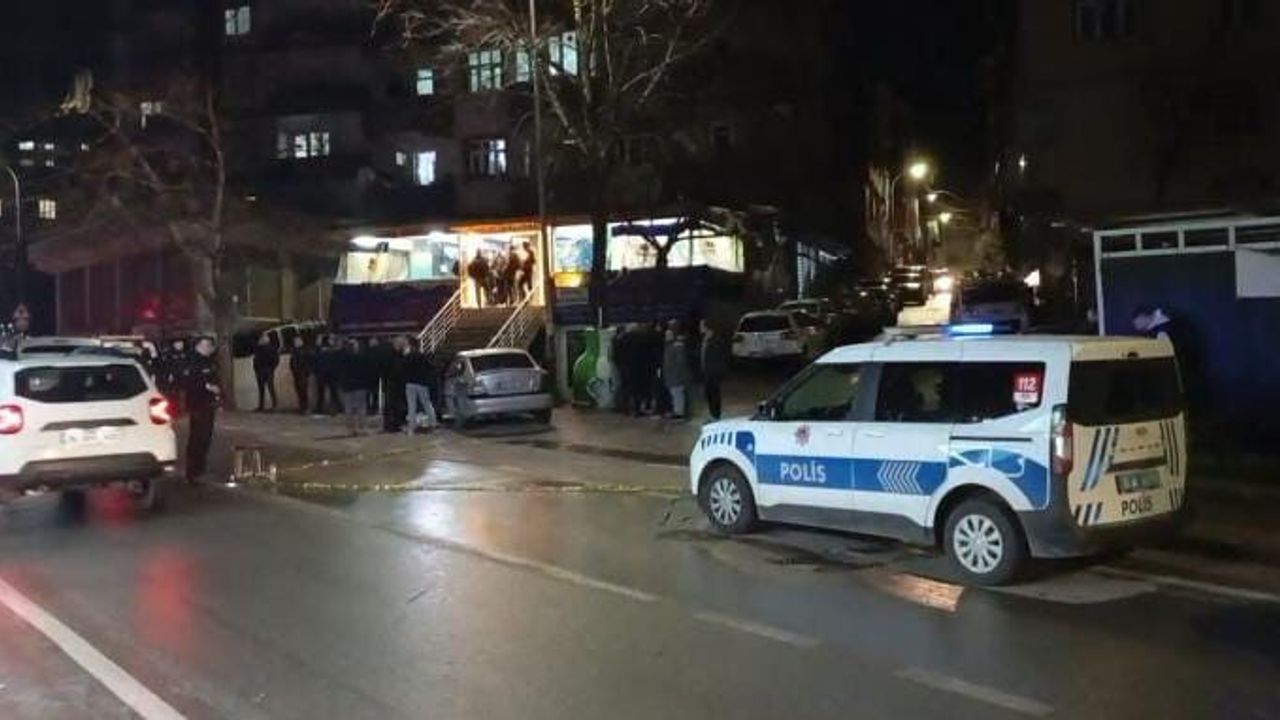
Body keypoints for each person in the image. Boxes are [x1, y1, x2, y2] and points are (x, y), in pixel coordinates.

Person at [184, 336, 222, 483]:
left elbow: (215, 378)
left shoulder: (210, 361)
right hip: (197, 404)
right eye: (205, 345)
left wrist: (217, 391)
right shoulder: (192, 360)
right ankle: (192, 471)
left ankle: (200, 468)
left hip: (208, 404)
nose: (208, 348)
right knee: (197, 438)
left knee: (206, 437)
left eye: (210, 345)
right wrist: (207, 386)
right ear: (198, 346)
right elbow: (190, 381)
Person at [402, 338, 439, 434]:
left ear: (410, 345)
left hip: (410, 383)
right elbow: (430, 368)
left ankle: (411, 428)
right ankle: (433, 425)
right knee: (427, 404)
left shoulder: (407, 357)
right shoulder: (422, 356)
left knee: (411, 406)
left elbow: (403, 369)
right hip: (422, 383)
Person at [337, 338, 370, 436]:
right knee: (361, 408)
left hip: (347, 386)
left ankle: (350, 429)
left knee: (348, 408)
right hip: (360, 385)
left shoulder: (342, 358)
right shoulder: (362, 357)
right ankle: (362, 428)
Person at [700, 319, 729, 420]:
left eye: (701, 325)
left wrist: (717, 371)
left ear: (707, 327)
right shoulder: (705, 339)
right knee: (709, 394)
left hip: (713, 372)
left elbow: (719, 356)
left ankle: (716, 415)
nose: (700, 328)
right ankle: (712, 414)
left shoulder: (715, 340)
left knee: (714, 394)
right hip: (707, 371)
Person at [663, 323, 691, 421]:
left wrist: (679, 374)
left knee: (678, 394)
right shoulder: (669, 346)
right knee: (675, 394)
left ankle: (680, 413)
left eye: (669, 335)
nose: (667, 337)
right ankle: (677, 411)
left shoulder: (677, 346)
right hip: (670, 375)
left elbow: (680, 362)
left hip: (676, 375)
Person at [382, 336, 409, 433]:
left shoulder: (395, 355)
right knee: (392, 405)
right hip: (393, 383)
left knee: (394, 405)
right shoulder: (395, 356)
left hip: (394, 383)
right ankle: (391, 424)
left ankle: (393, 424)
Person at [289, 336, 316, 415]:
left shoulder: (302, 352)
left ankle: (304, 407)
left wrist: (307, 372)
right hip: (299, 374)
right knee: (301, 391)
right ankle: (303, 407)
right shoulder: (299, 351)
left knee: (302, 391)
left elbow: (308, 363)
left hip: (301, 373)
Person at [252, 333, 280, 412]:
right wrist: (272, 368)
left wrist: (257, 369)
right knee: (267, 388)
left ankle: (267, 406)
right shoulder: (267, 349)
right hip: (266, 370)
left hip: (264, 370)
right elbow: (276, 359)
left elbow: (256, 360)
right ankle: (271, 405)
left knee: (265, 389)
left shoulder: (262, 349)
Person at [314, 336, 340, 415]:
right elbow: (316, 361)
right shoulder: (320, 350)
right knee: (321, 392)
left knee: (334, 392)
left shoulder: (335, 351)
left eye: (332, 340)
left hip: (332, 374)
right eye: (330, 340)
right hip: (322, 374)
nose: (331, 341)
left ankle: (335, 408)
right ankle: (320, 408)